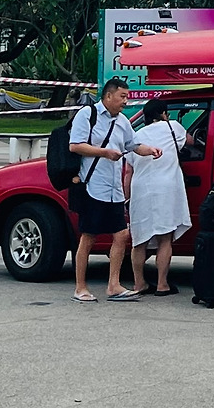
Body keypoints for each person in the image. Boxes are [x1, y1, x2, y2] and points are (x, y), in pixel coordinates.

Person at [68, 77, 162, 303]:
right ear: (108, 96)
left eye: (127, 97)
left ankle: (114, 285)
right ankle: (80, 287)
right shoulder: (87, 114)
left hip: (114, 189)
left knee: (121, 235)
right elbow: (75, 145)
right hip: (93, 186)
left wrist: (150, 150)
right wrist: (105, 153)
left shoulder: (123, 122)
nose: (125, 101)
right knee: (89, 237)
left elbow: (133, 145)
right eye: (122, 97)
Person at [125, 98, 192, 296]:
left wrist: (127, 200)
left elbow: (128, 172)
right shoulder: (174, 128)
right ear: (163, 113)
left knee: (139, 241)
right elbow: (192, 141)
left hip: (141, 190)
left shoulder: (136, 135)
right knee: (165, 239)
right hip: (166, 189)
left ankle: (139, 284)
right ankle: (163, 284)